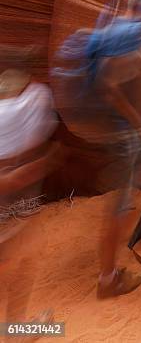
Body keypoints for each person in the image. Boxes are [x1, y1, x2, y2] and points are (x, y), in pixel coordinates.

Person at [53, 0, 141, 298]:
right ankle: (109, 279)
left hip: (113, 127)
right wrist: (137, 125)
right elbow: (109, 86)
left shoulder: (119, 31)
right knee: (118, 206)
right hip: (121, 130)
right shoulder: (131, 32)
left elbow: (135, 63)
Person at [0, 47, 59, 329]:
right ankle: (15, 329)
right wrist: (48, 161)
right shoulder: (36, 99)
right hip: (13, 206)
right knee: (24, 261)